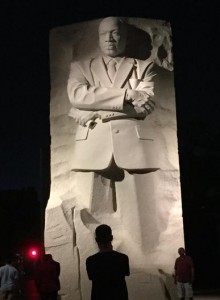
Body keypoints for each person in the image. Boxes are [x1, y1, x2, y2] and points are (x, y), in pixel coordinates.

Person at [67, 16, 156, 171]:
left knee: (133, 193)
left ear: (126, 38)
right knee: (93, 194)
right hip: (92, 143)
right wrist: (128, 94)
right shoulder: (80, 67)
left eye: (115, 33)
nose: (109, 39)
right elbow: (77, 96)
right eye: (104, 34)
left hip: (132, 145)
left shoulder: (144, 67)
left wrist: (91, 110)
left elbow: (144, 107)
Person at [86, 224, 130, 300]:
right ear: (111, 238)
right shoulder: (123, 258)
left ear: (96, 240)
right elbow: (126, 273)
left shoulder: (90, 261)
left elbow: (91, 277)